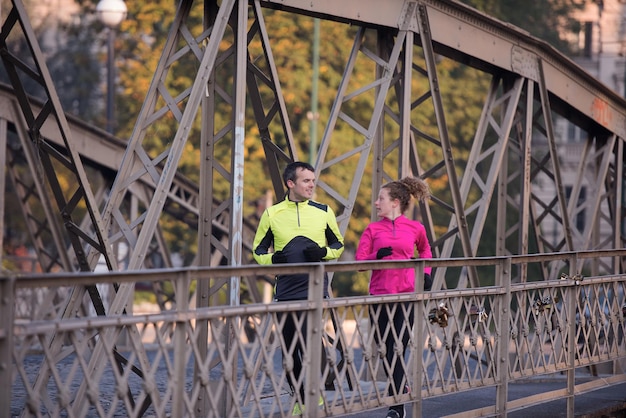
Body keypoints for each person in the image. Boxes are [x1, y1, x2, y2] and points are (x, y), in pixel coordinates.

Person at [252, 161, 345, 415]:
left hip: (315, 289)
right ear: (290, 183)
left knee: (310, 345)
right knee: (291, 352)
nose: (312, 185)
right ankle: (301, 397)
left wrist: (323, 252)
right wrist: (274, 259)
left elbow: (339, 246)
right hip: (286, 290)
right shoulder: (272, 214)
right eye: (306, 181)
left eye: (313, 180)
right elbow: (258, 250)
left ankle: (313, 398)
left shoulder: (324, 211)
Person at [355, 176, 432, 418]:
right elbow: (359, 263)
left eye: (381, 199)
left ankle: (396, 406)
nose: (376, 203)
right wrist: (376, 256)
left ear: (395, 202)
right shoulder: (372, 229)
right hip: (379, 297)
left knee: (397, 347)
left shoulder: (415, 228)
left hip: (406, 295)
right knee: (386, 348)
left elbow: (426, 250)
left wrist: (426, 272)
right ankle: (401, 387)